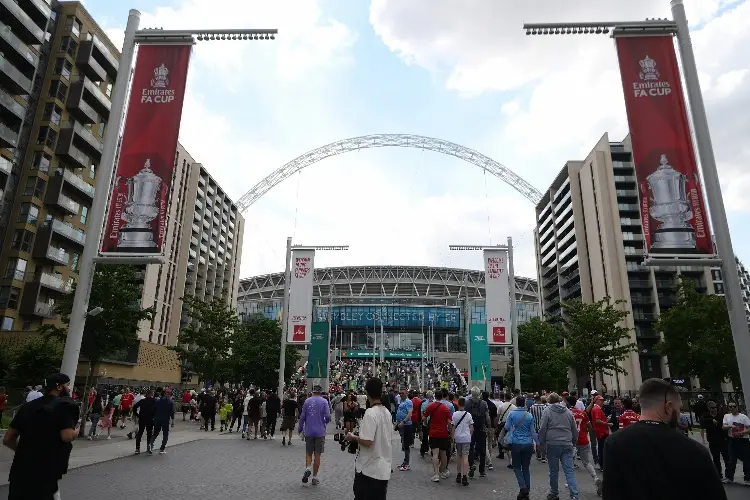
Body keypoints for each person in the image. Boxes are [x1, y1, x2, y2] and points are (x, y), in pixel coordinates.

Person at [602, 378, 726, 499]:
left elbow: (611, 493)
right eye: (678, 408)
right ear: (669, 407)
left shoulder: (615, 443)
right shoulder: (694, 450)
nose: (678, 414)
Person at [3, 373, 80, 500]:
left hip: (20, 471)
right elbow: (67, 436)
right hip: (46, 472)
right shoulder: (64, 406)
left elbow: (7, 439)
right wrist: (76, 430)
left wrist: (24, 452)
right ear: (59, 387)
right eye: (67, 385)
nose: (69, 388)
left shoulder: (27, 407)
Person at [347, 377, 392, 500]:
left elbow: (368, 441)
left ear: (367, 393)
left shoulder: (370, 413)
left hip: (368, 470)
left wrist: (353, 437)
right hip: (383, 470)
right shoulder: (387, 413)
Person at [538, 392, 579, 500]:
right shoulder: (568, 412)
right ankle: (574, 494)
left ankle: (554, 492)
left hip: (552, 443)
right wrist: (574, 441)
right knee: (569, 470)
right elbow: (574, 429)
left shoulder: (547, 411)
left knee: (553, 470)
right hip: (567, 443)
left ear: (549, 401)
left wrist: (541, 442)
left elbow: (542, 428)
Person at [505, 395, 538, 500]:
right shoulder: (529, 415)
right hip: (528, 444)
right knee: (526, 468)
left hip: (516, 443)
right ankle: (526, 492)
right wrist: (538, 443)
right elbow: (533, 431)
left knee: (516, 467)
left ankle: (523, 488)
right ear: (524, 403)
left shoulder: (511, 414)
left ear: (516, 403)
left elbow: (507, 427)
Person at [567, 395, 602, 495]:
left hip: (572, 441)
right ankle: (595, 478)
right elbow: (589, 427)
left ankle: (570, 482)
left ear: (568, 403)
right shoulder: (583, 413)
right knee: (586, 462)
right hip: (583, 440)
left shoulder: (568, 413)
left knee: (569, 462)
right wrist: (587, 433)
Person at [298, 385, 331, 486]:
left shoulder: (307, 401)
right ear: (321, 392)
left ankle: (308, 468)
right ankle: (315, 477)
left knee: (308, 452)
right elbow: (328, 416)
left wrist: (300, 428)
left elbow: (302, 416)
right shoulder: (324, 402)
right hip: (320, 431)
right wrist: (325, 421)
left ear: (312, 391)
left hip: (309, 431)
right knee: (317, 454)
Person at [423, 389, 452, 482]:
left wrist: (426, 424)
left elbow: (424, 417)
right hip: (444, 433)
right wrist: (451, 433)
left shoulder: (430, 406)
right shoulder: (446, 408)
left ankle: (436, 474)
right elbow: (449, 422)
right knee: (443, 453)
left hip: (433, 433)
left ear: (435, 396)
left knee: (435, 454)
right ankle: (443, 471)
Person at [465, 386, 490, 478]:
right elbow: (487, 417)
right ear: (479, 394)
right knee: (482, 449)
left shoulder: (467, 403)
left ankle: (471, 464)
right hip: (481, 428)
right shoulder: (484, 403)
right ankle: (482, 470)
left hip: (470, 428)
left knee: (470, 447)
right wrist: (488, 426)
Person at [722, 400, 750, 484]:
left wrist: (741, 433)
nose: (732, 408)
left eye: (734, 406)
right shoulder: (727, 416)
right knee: (731, 459)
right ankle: (729, 478)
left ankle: (748, 478)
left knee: (747, 459)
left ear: (737, 407)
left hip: (743, 440)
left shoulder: (743, 417)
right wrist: (730, 426)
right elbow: (723, 427)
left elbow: (749, 428)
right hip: (732, 440)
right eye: (730, 406)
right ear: (728, 407)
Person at [701, 401, 729, 481]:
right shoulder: (706, 416)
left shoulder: (721, 416)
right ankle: (719, 475)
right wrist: (711, 420)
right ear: (708, 408)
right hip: (713, 441)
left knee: (727, 458)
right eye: (712, 408)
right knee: (716, 459)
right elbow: (702, 424)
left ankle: (728, 476)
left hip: (723, 440)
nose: (715, 409)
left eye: (716, 407)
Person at [452, 397, 474, 486]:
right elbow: (471, 427)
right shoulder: (468, 414)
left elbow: (453, 426)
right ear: (465, 405)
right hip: (466, 438)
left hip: (458, 438)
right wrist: (470, 435)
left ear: (458, 404)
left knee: (459, 456)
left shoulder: (455, 414)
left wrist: (453, 437)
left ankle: (458, 474)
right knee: (465, 457)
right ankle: (465, 476)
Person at [130, 390, 156, 454]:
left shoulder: (142, 401)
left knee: (140, 433)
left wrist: (137, 414)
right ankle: (148, 447)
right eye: (152, 394)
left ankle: (137, 449)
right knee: (149, 434)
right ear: (151, 394)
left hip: (142, 419)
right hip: (150, 419)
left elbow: (134, 407)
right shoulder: (154, 401)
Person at [151, 388, 175, 454]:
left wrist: (153, 418)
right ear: (170, 395)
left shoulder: (157, 401)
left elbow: (153, 410)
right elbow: (172, 413)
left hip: (157, 419)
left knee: (155, 433)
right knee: (165, 434)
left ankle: (150, 445)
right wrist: (172, 421)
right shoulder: (171, 402)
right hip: (165, 420)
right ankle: (162, 449)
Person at [395, 388, 414, 471]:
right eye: (400, 393)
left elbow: (410, 413)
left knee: (406, 444)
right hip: (401, 425)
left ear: (406, 393)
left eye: (402, 393)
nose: (401, 394)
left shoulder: (408, 402)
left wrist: (403, 421)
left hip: (406, 425)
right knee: (404, 443)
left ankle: (407, 463)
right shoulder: (402, 402)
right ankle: (405, 462)